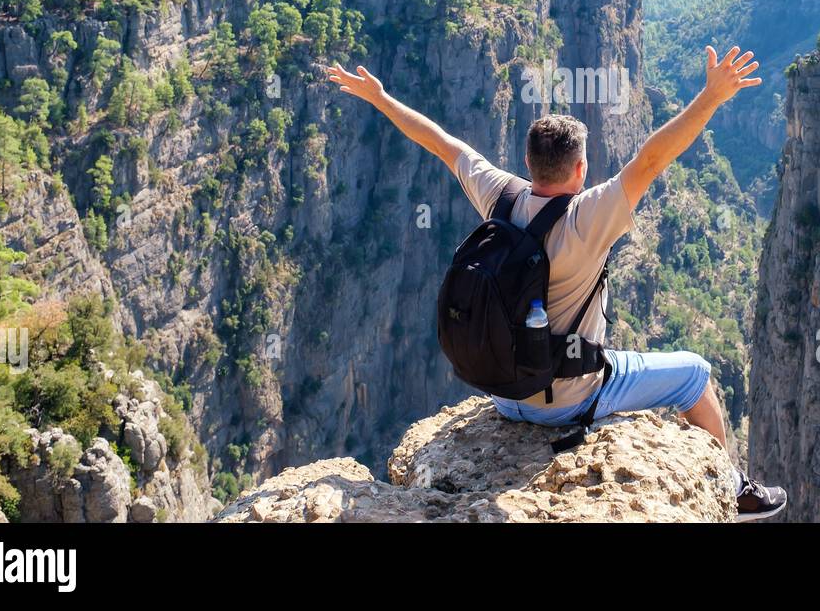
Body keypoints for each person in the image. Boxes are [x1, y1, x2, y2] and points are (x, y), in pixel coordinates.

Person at [327, 44, 787, 520]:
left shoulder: (499, 197)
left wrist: (380, 97)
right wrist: (711, 97)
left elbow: (441, 143)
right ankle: (732, 489)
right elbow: (651, 160)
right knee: (695, 374)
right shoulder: (588, 218)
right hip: (567, 400)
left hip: (505, 396)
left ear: (528, 164)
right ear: (581, 169)